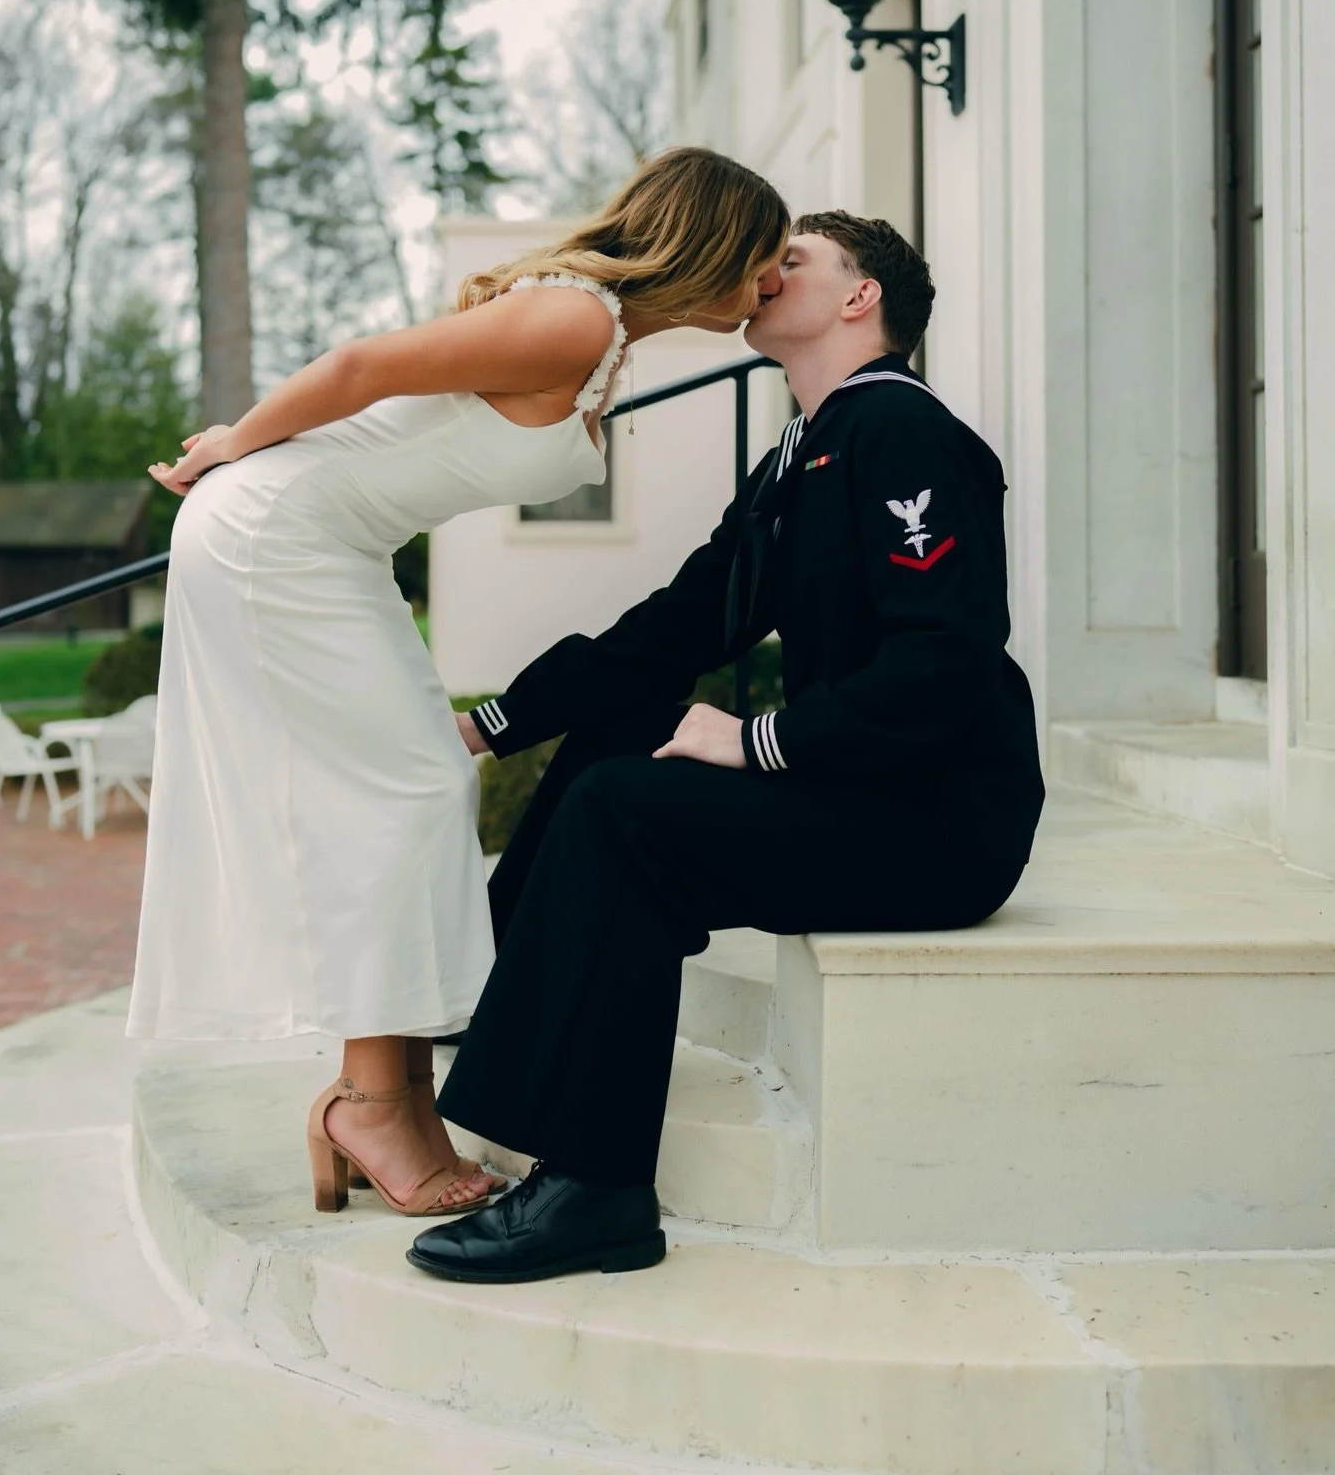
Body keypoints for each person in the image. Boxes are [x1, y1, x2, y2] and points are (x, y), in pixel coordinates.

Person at [125, 146, 790, 1222]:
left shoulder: (606, 341)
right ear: (709, 244)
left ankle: (384, 1097)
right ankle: (375, 1105)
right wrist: (228, 448)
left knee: (421, 783)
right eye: (765, 260)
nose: (771, 286)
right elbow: (359, 366)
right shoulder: (576, 320)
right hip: (279, 536)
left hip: (338, 546)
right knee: (414, 793)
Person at [409, 211, 1045, 1280]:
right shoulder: (797, 455)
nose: (762, 271)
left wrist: (759, 742)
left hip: (937, 819)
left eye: (791, 259)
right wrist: (494, 724)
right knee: (625, 724)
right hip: (856, 786)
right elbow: (676, 626)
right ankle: (493, 990)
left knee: (624, 817)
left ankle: (595, 1191)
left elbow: (946, 660)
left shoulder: (906, 433)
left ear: (860, 299)